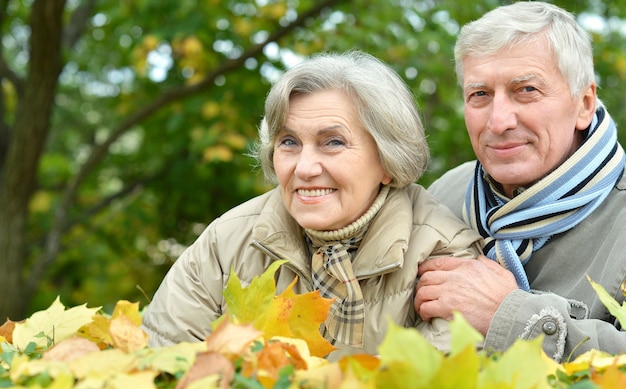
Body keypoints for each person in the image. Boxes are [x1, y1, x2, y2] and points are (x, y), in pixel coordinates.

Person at [141, 50, 482, 360]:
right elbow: (165, 367)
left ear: (387, 162)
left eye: (332, 142)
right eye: (289, 142)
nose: (304, 168)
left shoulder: (442, 252)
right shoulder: (226, 242)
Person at [415, 1, 626, 363]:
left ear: (584, 104)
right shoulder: (443, 196)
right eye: (479, 95)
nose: (498, 122)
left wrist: (512, 315)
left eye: (526, 90)